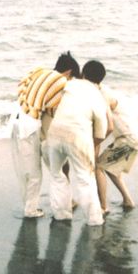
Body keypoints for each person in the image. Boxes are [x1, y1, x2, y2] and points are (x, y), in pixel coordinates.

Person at [11, 52, 80, 218]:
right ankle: (31, 210)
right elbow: (57, 109)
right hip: (29, 126)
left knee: (25, 170)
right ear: (69, 72)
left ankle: (31, 205)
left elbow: (21, 85)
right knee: (34, 174)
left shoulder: (39, 71)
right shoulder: (61, 81)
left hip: (16, 117)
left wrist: (32, 103)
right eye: (73, 77)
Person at [46, 61, 108, 226]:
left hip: (55, 132)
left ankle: (61, 214)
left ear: (83, 74)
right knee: (84, 178)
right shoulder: (97, 94)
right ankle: (94, 219)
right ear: (100, 80)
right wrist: (93, 145)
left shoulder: (70, 84)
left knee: (56, 174)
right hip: (78, 137)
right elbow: (101, 128)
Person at [91, 84, 138, 214]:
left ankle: (103, 207)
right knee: (112, 169)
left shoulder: (103, 96)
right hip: (132, 135)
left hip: (127, 138)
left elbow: (108, 126)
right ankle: (128, 200)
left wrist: (95, 143)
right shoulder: (105, 92)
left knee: (99, 167)